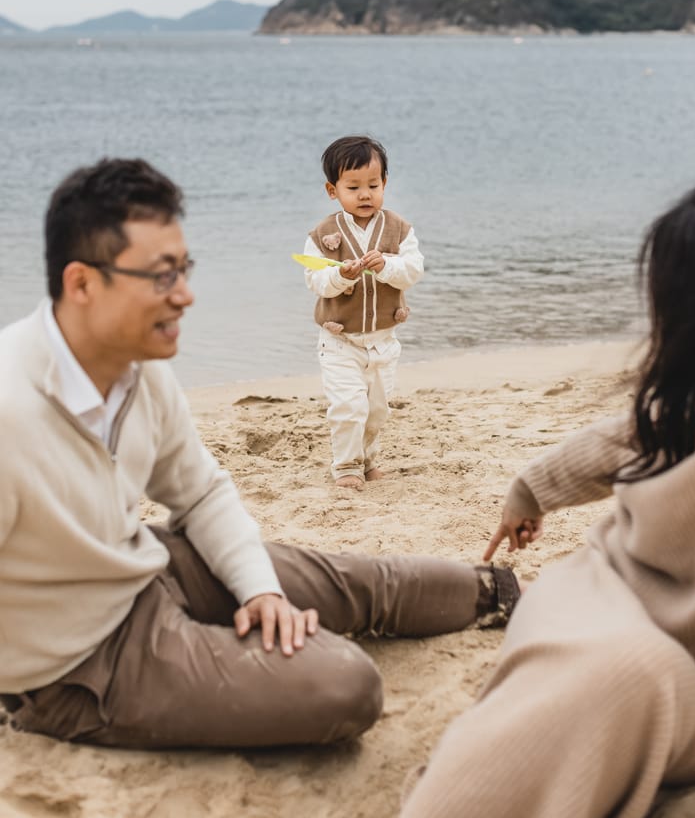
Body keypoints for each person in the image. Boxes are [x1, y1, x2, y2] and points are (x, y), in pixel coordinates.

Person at [0, 157, 518, 750]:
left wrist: (261, 592)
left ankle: (504, 595)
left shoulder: (135, 368)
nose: (187, 295)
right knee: (343, 683)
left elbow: (198, 494)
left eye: (184, 268)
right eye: (162, 276)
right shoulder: (11, 409)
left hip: (145, 566)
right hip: (84, 663)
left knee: (361, 583)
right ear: (82, 284)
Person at [402, 183, 695, 818]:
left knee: (616, 673)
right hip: (602, 588)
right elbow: (612, 445)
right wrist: (526, 493)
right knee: (556, 631)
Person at [303, 134, 423, 489]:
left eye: (373, 184)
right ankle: (346, 466)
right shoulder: (324, 234)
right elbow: (316, 280)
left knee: (376, 410)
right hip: (340, 340)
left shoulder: (399, 229)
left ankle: (369, 459)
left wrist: (385, 264)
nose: (365, 194)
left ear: (385, 183)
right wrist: (340, 274)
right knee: (347, 407)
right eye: (353, 187)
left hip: (384, 340)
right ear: (332, 190)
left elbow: (412, 270)